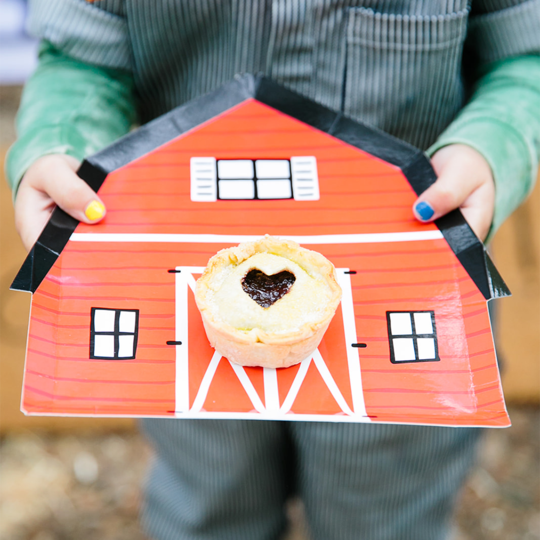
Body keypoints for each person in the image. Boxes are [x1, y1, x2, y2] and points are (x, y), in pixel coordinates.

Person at [6, 1, 540, 539]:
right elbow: (82, 59)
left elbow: (524, 54)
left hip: (409, 291)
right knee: (211, 496)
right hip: (180, 307)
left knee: (385, 511)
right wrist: (59, 143)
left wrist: (492, 144)